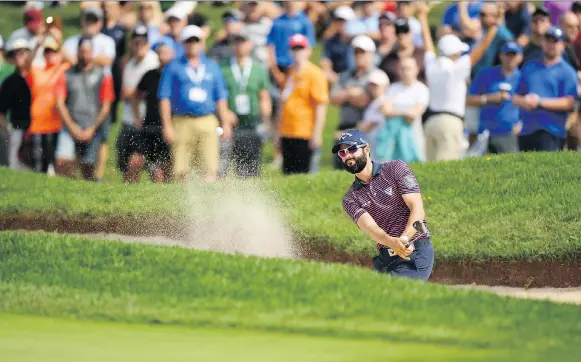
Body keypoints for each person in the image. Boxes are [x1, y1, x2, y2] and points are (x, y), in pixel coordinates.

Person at [335, 129, 434, 282]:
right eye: (343, 153)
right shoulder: (350, 198)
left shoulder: (395, 168)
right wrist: (391, 243)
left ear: (367, 149)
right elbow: (371, 228)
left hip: (415, 253)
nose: (348, 155)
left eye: (352, 149)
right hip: (385, 260)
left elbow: (417, 209)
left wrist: (404, 239)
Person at [418, 3, 498, 162]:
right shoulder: (456, 68)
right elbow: (479, 51)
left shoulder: (433, 64)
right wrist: (493, 29)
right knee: (446, 167)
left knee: (430, 168)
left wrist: (422, 18)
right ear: (454, 52)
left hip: (430, 122)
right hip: (450, 122)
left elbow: (427, 44)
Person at [158, 25, 235, 183]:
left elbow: (221, 97)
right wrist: (167, 125)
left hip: (207, 120)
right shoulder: (173, 67)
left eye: (196, 40)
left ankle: (207, 204)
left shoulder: (212, 66)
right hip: (181, 121)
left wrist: (225, 122)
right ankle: (183, 205)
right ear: (183, 43)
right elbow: (165, 97)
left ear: (201, 43)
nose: (192, 44)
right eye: (189, 40)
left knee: (210, 168)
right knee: (180, 170)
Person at [55, 36, 115, 181]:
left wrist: (92, 128)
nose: (85, 55)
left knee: (88, 166)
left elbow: (106, 106)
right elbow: (60, 103)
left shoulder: (103, 76)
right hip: (70, 125)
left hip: (93, 126)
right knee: (63, 162)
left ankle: (90, 192)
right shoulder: (66, 74)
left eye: (88, 51)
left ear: (92, 52)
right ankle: (68, 190)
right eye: (82, 51)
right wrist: (72, 127)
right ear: (77, 52)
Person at [513, 26, 578, 152]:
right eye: (548, 40)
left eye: (555, 41)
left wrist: (539, 102)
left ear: (563, 45)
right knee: (526, 171)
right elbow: (515, 97)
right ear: (542, 42)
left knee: (545, 170)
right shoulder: (529, 67)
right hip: (526, 130)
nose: (551, 45)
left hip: (551, 131)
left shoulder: (567, 72)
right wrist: (525, 101)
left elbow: (570, 103)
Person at [219, 33, 272, 178]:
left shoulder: (258, 69)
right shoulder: (222, 67)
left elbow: (264, 97)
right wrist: (225, 113)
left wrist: (265, 120)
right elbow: (216, 95)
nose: (240, 46)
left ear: (249, 44)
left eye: (243, 42)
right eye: (237, 42)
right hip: (229, 124)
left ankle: (250, 193)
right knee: (224, 165)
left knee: (251, 166)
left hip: (252, 123)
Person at [274, 33, 328, 175]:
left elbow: (320, 106)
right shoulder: (289, 73)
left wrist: (317, 133)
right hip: (287, 131)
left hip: (305, 132)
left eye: (301, 48)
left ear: (308, 50)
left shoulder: (315, 74)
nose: (298, 52)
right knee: (288, 175)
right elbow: (282, 104)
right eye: (295, 49)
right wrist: (277, 133)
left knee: (304, 174)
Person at [116, 25, 159, 183]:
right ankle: (130, 193)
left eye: (142, 42)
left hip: (146, 121)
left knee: (150, 164)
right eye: (136, 41)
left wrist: (132, 92)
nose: (139, 45)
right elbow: (122, 93)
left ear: (148, 42)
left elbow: (147, 91)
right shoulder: (129, 63)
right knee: (125, 163)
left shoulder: (153, 61)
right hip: (129, 120)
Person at [330, 34, 377, 170]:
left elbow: (364, 100)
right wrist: (352, 93)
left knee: (364, 171)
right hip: (344, 128)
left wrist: (345, 95)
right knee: (340, 172)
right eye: (356, 52)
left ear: (371, 54)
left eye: (362, 52)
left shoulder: (375, 75)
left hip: (365, 129)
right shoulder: (345, 75)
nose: (359, 55)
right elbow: (333, 98)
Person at [467, 42, 523, 154]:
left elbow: (530, 103)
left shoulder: (524, 77)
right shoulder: (487, 74)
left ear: (520, 57)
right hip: (485, 132)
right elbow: (468, 99)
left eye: (514, 55)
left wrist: (523, 123)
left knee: (508, 167)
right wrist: (488, 98)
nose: (510, 59)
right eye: (508, 55)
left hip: (509, 132)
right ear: (501, 56)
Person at [25, 29, 68, 174]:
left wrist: (60, 43)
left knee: (53, 160)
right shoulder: (38, 70)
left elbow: (73, 61)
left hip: (55, 122)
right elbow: (26, 65)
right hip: (37, 122)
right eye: (47, 51)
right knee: (38, 163)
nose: (50, 54)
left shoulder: (62, 69)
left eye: (53, 52)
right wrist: (37, 46)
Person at [133, 38, 175, 183]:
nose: (162, 55)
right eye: (160, 52)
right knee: (139, 163)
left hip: (171, 127)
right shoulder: (150, 75)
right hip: (150, 126)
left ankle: (166, 196)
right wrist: (137, 117)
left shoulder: (177, 74)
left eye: (166, 52)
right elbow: (136, 96)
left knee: (167, 168)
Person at [0, 38, 32, 171]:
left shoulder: (40, 76)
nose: (18, 57)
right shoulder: (9, 81)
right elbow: (1, 110)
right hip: (16, 129)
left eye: (22, 52)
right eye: (15, 54)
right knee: (13, 164)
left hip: (42, 129)